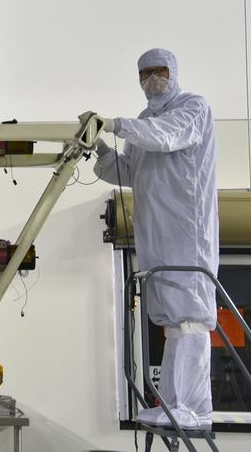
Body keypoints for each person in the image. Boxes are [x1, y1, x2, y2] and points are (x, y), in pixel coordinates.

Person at [92, 49, 219, 430]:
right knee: (172, 322)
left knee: (191, 317)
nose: (152, 79)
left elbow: (168, 136)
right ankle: (174, 404)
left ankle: (195, 408)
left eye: (158, 71)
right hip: (156, 233)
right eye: (144, 73)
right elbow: (130, 171)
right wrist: (97, 146)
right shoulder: (145, 119)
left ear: (173, 72)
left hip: (186, 231)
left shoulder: (192, 107)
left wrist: (115, 123)